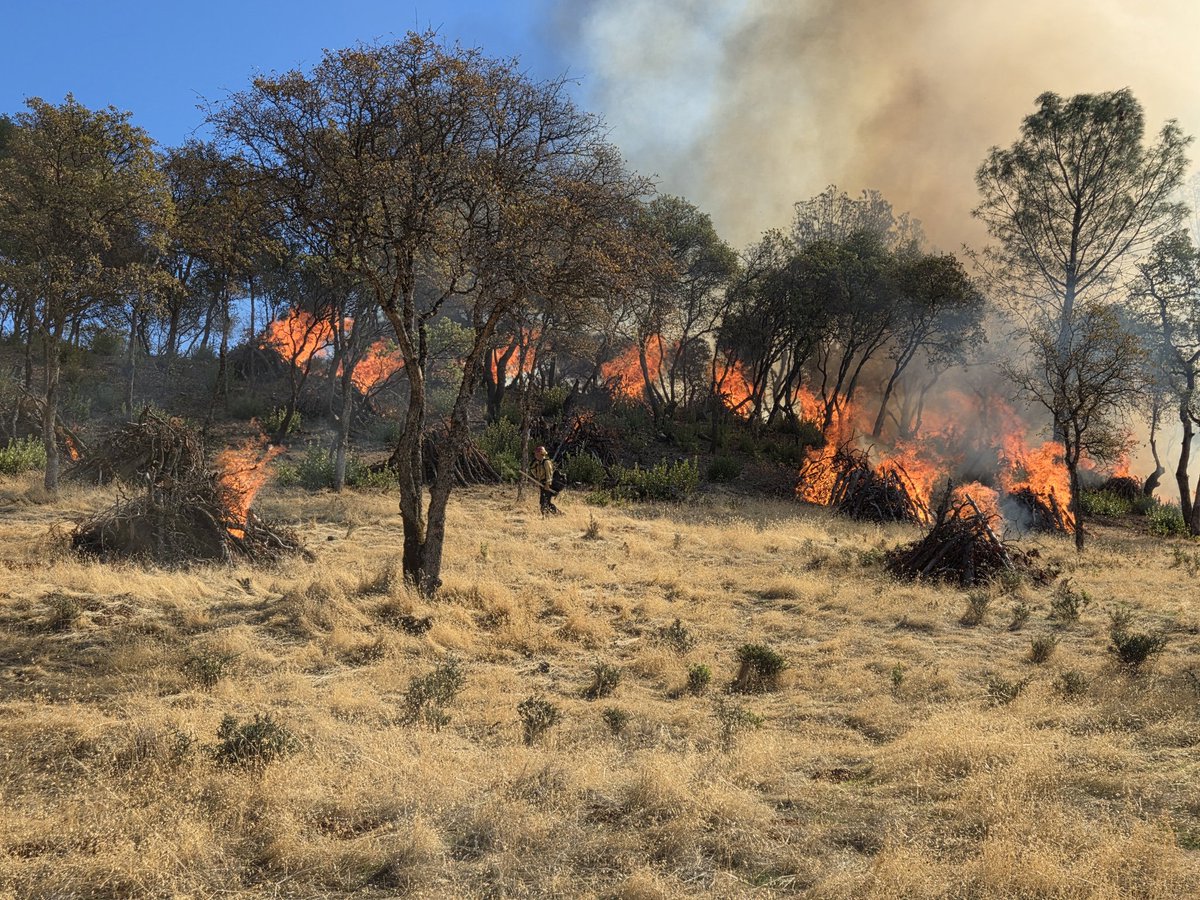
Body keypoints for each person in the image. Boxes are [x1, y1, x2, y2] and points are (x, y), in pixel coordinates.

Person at [531, 445, 560, 516]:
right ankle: (548, 515)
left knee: (545, 502)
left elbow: (549, 474)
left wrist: (548, 484)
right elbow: (534, 471)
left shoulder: (546, 462)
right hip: (542, 484)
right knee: (543, 502)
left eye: (537, 454)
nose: (535, 455)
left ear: (541, 454)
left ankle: (555, 514)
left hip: (548, 485)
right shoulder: (538, 463)